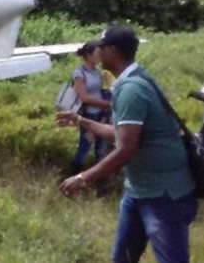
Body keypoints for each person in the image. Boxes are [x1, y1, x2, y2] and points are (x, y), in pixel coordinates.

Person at [58, 27, 197, 263]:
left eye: (101, 46)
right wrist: (82, 121)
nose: (98, 51)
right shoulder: (134, 80)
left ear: (113, 50)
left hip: (163, 194)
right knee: (122, 258)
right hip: (139, 190)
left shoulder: (132, 89)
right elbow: (122, 135)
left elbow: (125, 150)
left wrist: (83, 178)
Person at [69, 41, 112, 174]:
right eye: (97, 53)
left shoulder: (98, 72)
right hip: (90, 114)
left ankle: (99, 179)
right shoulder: (79, 73)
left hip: (101, 113)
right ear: (88, 55)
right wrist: (106, 104)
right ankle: (73, 173)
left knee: (101, 149)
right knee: (85, 146)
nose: (100, 56)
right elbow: (84, 98)